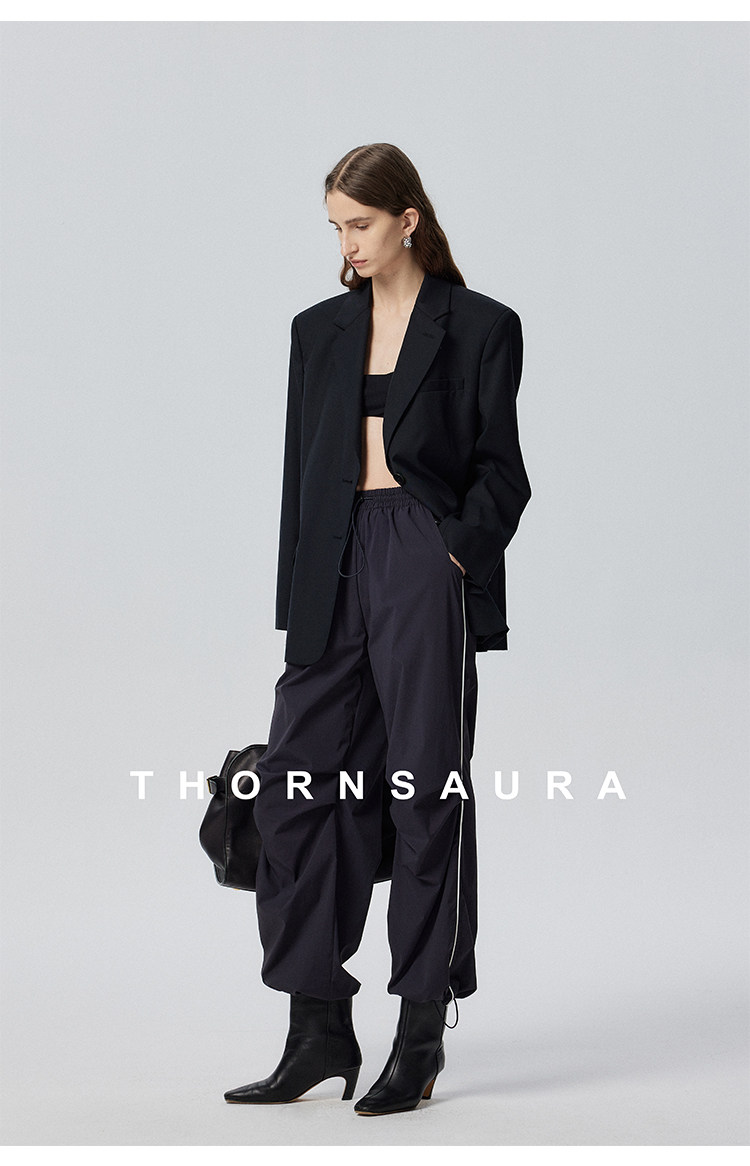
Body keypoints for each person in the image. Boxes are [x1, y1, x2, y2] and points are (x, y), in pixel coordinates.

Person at [223, 143, 532, 1115]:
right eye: (336, 227)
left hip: (419, 551)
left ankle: (420, 1032)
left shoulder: (480, 325)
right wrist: (298, 605)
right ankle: (317, 1026)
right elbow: (298, 475)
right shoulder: (317, 330)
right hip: (333, 559)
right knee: (292, 787)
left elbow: (503, 471)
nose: (347, 244)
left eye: (360, 224)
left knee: (423, 788)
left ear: (408, 218)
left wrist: (452, 554)